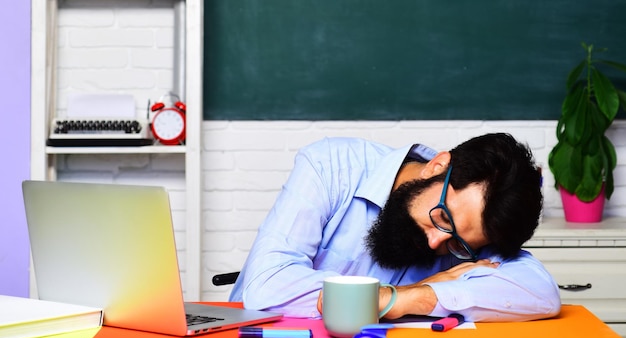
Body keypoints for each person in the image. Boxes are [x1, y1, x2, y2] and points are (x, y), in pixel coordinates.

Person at [229, 133, 561, 322]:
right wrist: (383, 298)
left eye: (456, 243)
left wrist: (404, 298)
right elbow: (266, 288)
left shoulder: (474, 231)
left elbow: (541, 293)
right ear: (437, 166)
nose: (434, 243)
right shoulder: (331, 166)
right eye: (442, 217)